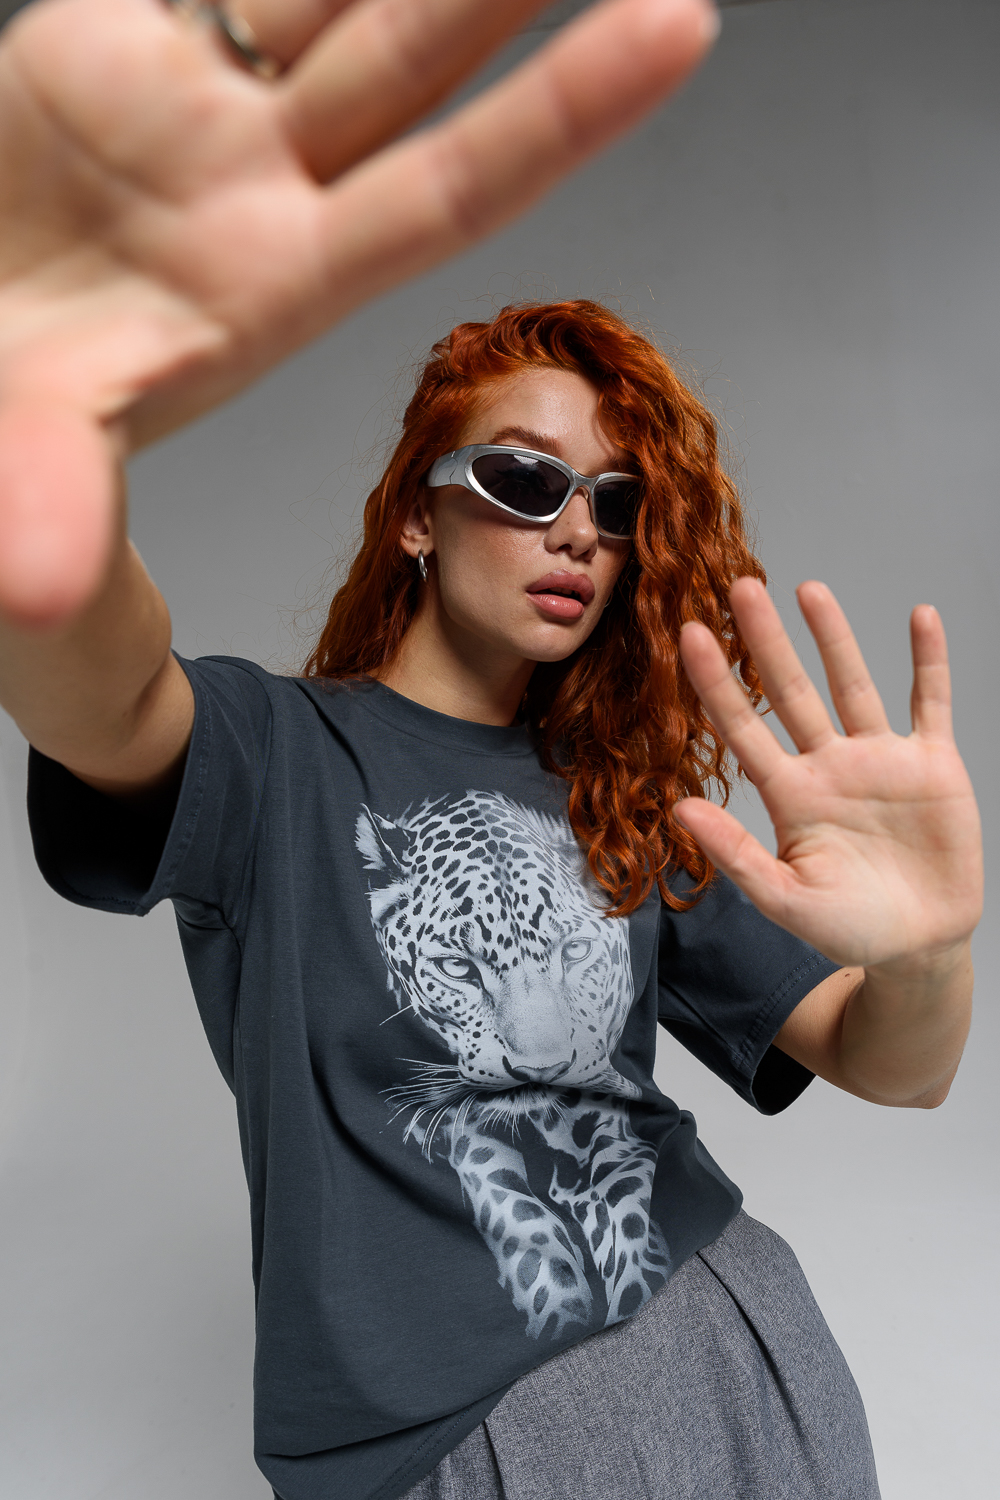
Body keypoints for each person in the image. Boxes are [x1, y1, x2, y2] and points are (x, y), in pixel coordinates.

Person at [0, 5, 982, 1500]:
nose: (578, 530)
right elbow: (100, 691)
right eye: (525, 482)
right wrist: (36, 435)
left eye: (615, 505)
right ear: (417, 513)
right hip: (440, 1437)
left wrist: (928, 953)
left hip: (719, 1341)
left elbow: (892, 1066)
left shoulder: (622, 799)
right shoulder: (280, 758)